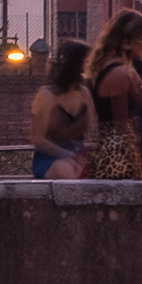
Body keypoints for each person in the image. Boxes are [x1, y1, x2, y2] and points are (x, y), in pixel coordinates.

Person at [85, 12, 142, 179]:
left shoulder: (106, 66)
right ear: (132, 41)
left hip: (105, 145)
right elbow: (121, 123)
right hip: (118, 151)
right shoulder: (121, 73)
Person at [26, 39, 93, 179]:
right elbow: (37, 139)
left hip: (78, 155)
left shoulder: (84, 93)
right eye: (87, 63)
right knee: (67, 171)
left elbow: (92, 132)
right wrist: (68, 155)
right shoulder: (46, 95)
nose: (91, 68)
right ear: (75, 65)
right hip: (50, 158)